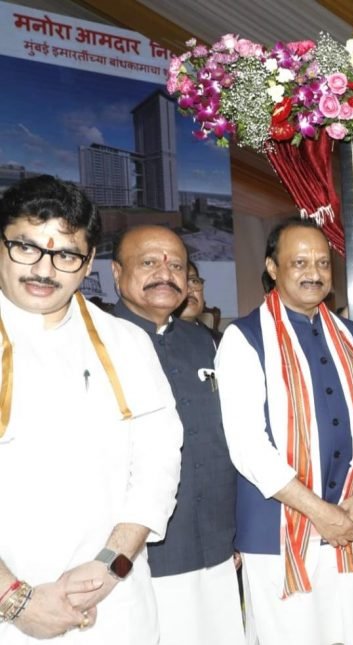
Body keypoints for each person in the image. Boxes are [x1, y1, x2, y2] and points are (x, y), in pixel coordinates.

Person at [0, 175, 182, 643]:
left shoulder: (127, 342)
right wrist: (14, 600)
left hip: (114, 602)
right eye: (27, 247)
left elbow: (158, 465)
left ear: (88, 263)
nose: (44, 270)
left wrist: (111, 564)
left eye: (66, 255)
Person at [215, 217, 353, 645]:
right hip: (279, 531)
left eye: (322, 263)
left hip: (351, 522)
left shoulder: (350, 334)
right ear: (272, 268)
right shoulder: (244, 338)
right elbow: (248, 446)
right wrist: (320, 512)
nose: (314, 273)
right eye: (299, 262)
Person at [110, 226, 243, 645]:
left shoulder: (204, 342)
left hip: (218, 548)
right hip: (140, 559)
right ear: (117, 273)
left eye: (177, 266)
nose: (165, 274)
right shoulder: (98, 344)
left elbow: (227, 439)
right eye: (149, 262)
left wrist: (235, 533)